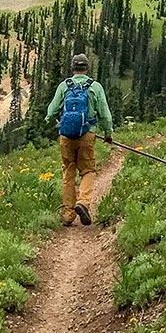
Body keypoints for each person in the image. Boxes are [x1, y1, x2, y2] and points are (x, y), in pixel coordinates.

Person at [45, 53, 114, 226]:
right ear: (87, 68)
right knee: (88, 170)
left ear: (73, 68)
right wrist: (108, 133)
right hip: (87, 135)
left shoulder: (64, 86)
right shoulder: (95, 87)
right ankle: (83, 203)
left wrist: (51, 120)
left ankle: (68, 215)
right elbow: (105, 113)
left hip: (66, 135)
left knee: (68, 172)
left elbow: (52, 110)